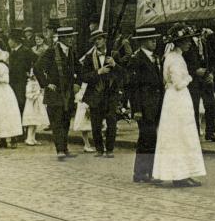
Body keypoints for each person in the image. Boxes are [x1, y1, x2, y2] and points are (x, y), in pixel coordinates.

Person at [153, 26, 206, 187]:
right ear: (179, 42)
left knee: (183, 134)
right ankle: (179, 174)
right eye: (186, 41)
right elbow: (178, 83)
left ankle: (184, 173)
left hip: (177, 98)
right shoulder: (174, 59)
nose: (189, 43)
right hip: (177, 98)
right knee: (179, 134)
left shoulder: (176, 57)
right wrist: (189, 77)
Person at [35, 26, 79, 160]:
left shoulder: (71, 52)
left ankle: (65, 149)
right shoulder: (51, 52)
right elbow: (37, 67)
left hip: (68, 93)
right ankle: (60, 150)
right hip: (54, 94)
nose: (71, 39)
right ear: (62, 39)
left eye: (72, 36)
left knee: (66, 122)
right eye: (68, 37)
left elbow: (78, 68)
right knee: (57, 122)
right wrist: (47, 83)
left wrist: (78, 83)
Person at [127, 27, 163, 183]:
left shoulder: (155, 58)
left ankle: (147, 171)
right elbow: (133, 87)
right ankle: (141, 172)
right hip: (144, 105)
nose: (154, 42)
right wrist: (136, 109)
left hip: (155, 104)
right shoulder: (136, 59)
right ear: (142, 42)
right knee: (147, 138)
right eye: (151, 39)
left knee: (151, 138)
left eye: (155, 39)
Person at [81, 29, 121, 158]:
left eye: (99, 39)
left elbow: (123, 75)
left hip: (110, 94)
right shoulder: (89, 57)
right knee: (96, 124)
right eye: (94, 40)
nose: (96, 42)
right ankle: (99, 149)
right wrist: (99, 72)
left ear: (104, 39)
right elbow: (84, 76)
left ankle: (109, 149)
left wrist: (115, 65)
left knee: (111, 122)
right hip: (95, 94)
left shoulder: (114, 54)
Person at [184, 28, 215, 142]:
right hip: (193, 80)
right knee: (194, 106)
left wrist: (211, 73)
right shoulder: (187, 44)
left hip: (206, 78)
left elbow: (212, 59)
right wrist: (194, 71)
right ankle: (194, 134)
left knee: (210, 104)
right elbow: (182, 63)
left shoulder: (204, 42)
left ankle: (210, 132)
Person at [7, 30, 37, 146]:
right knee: (15, 106)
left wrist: (30, 73)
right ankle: (18, 131)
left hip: (22, 83)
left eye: (10, 40)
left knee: (21, 105)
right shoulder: (13, 52)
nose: (9, 42)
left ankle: (22, 132)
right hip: (13, 83)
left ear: (15, 41)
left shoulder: (25, 51)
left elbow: (37, 60)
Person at [22, 72, 49, 146]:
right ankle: (29, 138)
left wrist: (41, 93)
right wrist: (36, 94)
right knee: (32, 122)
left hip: (38, 103)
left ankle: (33, 138)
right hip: (32, 104)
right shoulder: (30, 83)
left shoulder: (37, 83)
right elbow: (28, 94)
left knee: (36, 122)